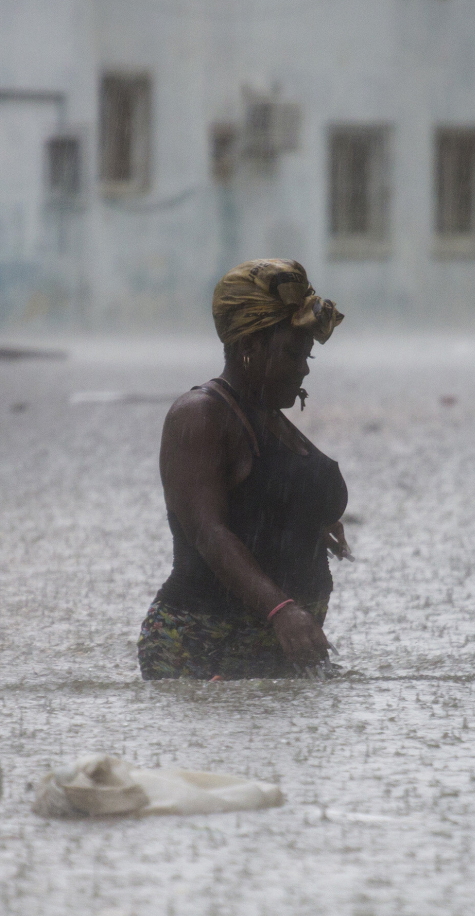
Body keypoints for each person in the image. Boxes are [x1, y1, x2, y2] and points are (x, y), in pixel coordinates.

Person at [137, 259, 349, 680]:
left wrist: (308, 520)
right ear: (248, 347)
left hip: (278, 656)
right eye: (292, 353)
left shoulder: (269, 417)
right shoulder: (199, 417)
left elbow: (258, 497)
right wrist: (281, 608)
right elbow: (208, 532)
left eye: (306, 355)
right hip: (202, 651)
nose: (304, 368)